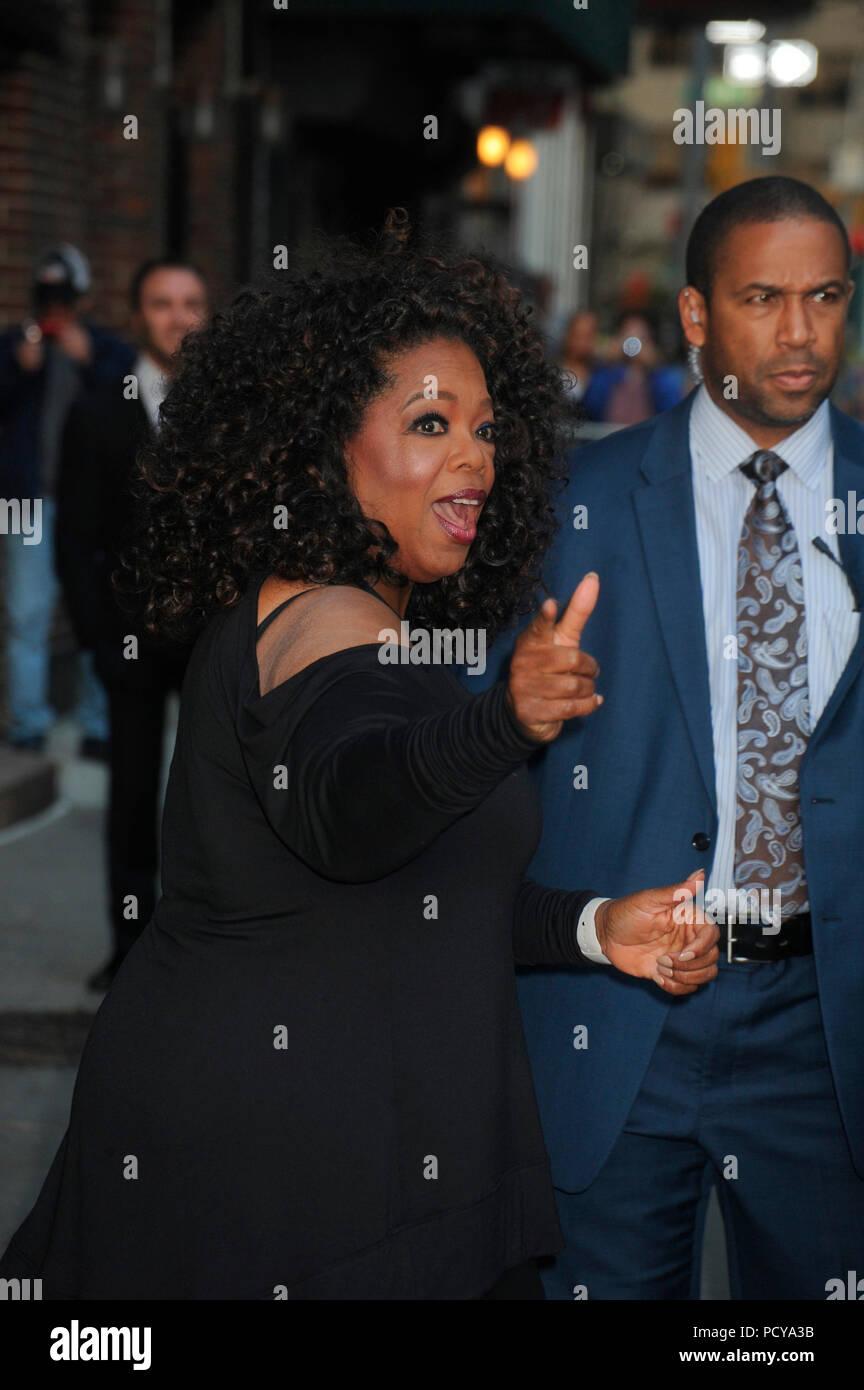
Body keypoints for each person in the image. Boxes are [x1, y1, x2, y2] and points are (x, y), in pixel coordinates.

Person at [0, 212, 718, 1301]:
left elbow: (423, 884)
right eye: (430, 422)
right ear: (325, 444)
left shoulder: (364, 618)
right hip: (279, 1179)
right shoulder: (327, 619)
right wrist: (504, 725)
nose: (475, 455)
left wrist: (594, 927)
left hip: (345, 1146)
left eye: (485, 427)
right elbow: (349, 805)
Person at [467, 176, 864, 1299]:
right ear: (696, 318)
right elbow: (456, 759)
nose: (799, 333)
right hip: (613, 1025)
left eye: (826, 297)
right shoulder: (563, 499)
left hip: (828, 1037)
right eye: (763, 298)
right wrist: (511, 697)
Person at [55, 257, 209, 991]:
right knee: (132, 796)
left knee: (216, 796)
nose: (178, 317)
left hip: (215, 636)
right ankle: (130, 947)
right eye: (161, 303)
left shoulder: (229, 410)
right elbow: (75, 541)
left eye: (191, 303)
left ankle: (209, 944)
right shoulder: (98, 409)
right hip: (131, 638)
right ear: (137, 313)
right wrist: (97, 641)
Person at [0, 245, 134, 755]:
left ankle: (97, 726)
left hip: (94, 505)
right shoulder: (15, 345)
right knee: (24, 612)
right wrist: (19, 369)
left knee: (97, 613)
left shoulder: (109, 349)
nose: (53, 308)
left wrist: (92, 363)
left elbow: (132, 405)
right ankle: (27, 724)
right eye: (46, 297)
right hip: (22, 501)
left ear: (83, 300)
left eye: (63, 297)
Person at [581, 310, 685, 425]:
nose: (633, 346)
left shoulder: (659, 376)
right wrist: (607, 363)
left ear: (649, 341)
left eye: (640, 338)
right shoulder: (607, 373)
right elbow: (591, 405)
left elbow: (670, 407)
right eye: (627, 338)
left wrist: (656, 367)